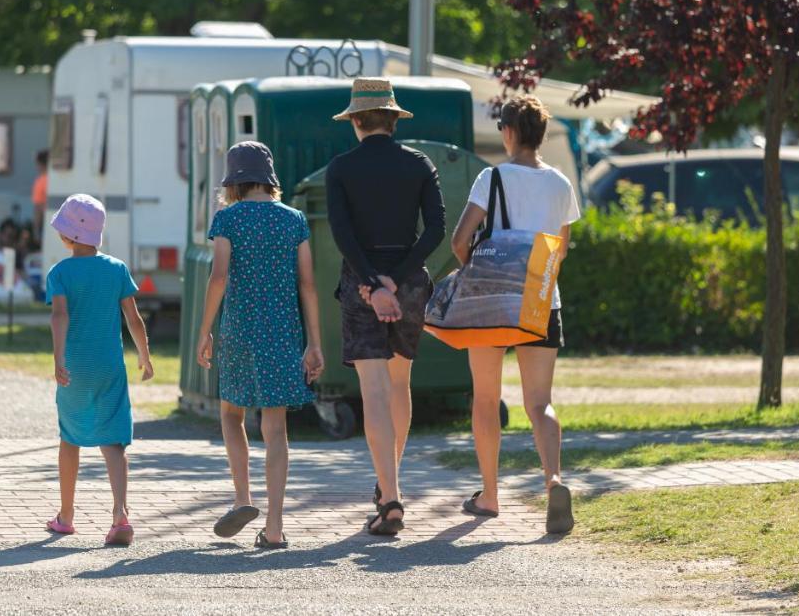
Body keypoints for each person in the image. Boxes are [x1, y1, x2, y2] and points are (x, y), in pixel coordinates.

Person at [450, 95, 579, 535]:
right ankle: (554, 480)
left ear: (508, 132)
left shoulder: (492, 178)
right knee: (540, 403)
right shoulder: (561, 183)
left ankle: (489, 495)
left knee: (486, 398)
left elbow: (460, 238)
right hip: (542, 302)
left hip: (493, 302)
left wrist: (477, 273)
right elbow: (559, 249)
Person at [326, 78, 445, 536]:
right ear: (394, 120)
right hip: (411, 283)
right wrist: (397, 277)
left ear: (356, 121)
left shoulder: (340, 168)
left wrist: (374, 282)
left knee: (372, 390)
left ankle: (390, 497)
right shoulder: (420, 165)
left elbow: (342, 233)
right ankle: (388, 483)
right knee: (399, 385)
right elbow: (434, 229)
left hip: (361, 284)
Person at [195, 142, 325, 549]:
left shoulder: (228, 219)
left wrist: (204, 330)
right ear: (269, 180)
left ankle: (242, 498)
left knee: (232, 415)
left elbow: (218, 278)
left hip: (239, 332)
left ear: (234, 182)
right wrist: (314, 343)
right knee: (276, 428)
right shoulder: (294, 220)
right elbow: (307, 283)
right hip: (283, 334)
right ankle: (273, 526)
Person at [44, 193, 154, 547]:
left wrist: (59, 359)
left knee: (70, 437)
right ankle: (120, 513)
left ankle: (66, 516)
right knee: (114, 441)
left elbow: (59, 316)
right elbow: (133, 318)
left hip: (74, 368)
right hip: (110, 367)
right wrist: (145, 355)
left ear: (66, 237)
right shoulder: (117, 269)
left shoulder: (59, 273)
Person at [32, 150, 49, 236]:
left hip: (46, 223)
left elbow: (38, 208)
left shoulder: (40, 182)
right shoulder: (57, 181)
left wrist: (36, 230)